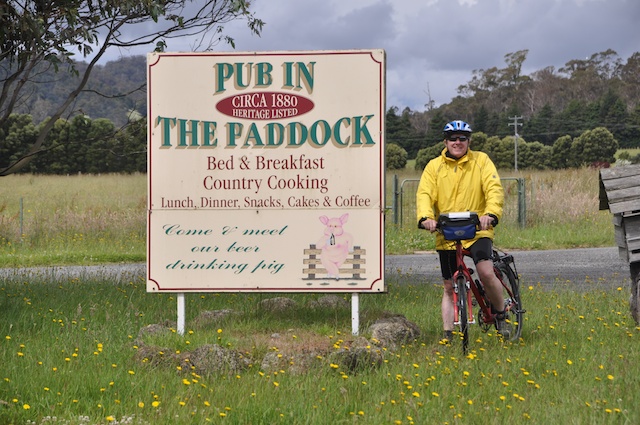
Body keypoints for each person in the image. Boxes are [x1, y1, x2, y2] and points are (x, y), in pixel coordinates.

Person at [416, 120, 508, 341]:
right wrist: (425, 218)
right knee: (449, 285)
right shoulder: (434, 166)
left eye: (462, 138)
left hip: (477, 229)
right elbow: (425, 194)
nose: (457, 142)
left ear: (469, 141)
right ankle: (448, 334)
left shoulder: (481, 161)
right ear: (445, 141)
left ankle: (501, 313)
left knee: (485, 272)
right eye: (453, 138)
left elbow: (494, 188)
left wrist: (491, 214)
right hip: (447, 231)